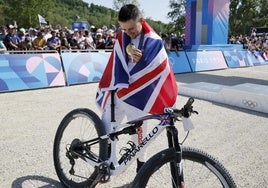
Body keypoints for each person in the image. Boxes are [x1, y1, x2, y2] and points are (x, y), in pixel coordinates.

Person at [96, 4, 178, 173]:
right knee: (107, 129)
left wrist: (141, 59)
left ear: (141, 20)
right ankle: (103, 164)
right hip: (118, 92)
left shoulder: (154, 40)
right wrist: (127, 49)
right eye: (124, 29)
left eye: (131, 28)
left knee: (140, 135)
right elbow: (117, 58)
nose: (128, 32)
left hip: (138, 95)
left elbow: (157, 66)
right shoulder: (123, 36)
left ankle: (141, 169)